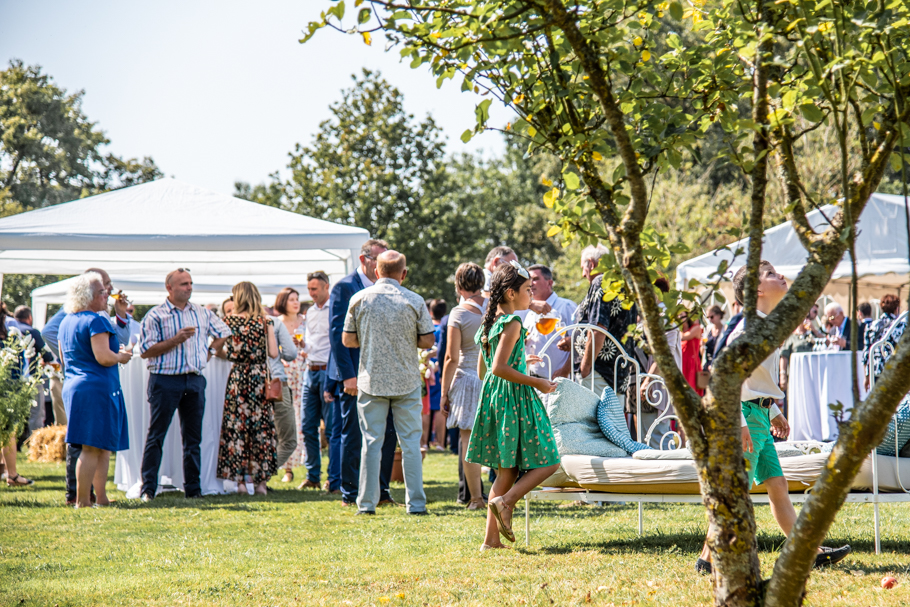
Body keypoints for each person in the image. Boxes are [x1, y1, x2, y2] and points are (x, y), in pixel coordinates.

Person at [695, 262, 851, 574]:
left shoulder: (769, 325)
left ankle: (807, 551)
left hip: (761, 414)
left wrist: (774, 410)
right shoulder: (749, 329)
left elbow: (755, 378)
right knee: (733, 492)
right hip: (747, 419)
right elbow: (727, 379)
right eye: (771, 274)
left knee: (777, 485)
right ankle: (706, 562)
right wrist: (739, 424)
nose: (781, 276)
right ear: (758, 291)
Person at [467, 261, 560, 550]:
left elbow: (485, 372)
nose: (530, 296)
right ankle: (506, 501)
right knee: (550, 460)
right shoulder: (513, 322)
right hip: (515, 399)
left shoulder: (488, 324)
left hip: (495, 399)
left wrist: (521, 362)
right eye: (527, 290)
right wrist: (538, 382)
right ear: (510, 293)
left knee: (506, 470)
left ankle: (490, 542)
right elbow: (498, 368)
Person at [341, 250, 435, 515]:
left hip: (371, 380)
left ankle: (366, 504)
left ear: (376, 271)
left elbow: (347, 340)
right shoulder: (414, 300)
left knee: (370, 443)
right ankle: (416, 504)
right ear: (403, 274)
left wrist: (370, 338)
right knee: (411, 445)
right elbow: (428, 340)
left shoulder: (359, 299)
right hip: (406, 380)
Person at [138, 268, 231, 501]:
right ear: (169, 288)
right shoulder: (156, 315)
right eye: (183, 284)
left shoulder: (201, 312)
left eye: (190, 283)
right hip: (165, 379)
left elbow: (224, 332)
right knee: (156, 435)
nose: (189, 287)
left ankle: (193, 489)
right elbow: (146, 351)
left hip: (194, 379)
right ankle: (148, 489)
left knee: (193, 438)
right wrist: (176, 340)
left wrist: (209, 351)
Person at [44, 268, 132, 504]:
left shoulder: (66, 322)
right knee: (92, 448)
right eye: (102, 292)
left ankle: (100, 498)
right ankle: (83, 500)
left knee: (101, 447)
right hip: (96, 387)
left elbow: (63, 359)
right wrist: (121, 357)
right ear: (89, 296)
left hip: (75, 385)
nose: (107, 296)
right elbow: (104, 356)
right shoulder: (94, 320)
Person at [328, 239, 398, 507]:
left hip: (384, 375)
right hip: (355, 376)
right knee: (355, 434)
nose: (382, 267)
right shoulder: (345, 288)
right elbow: (337, 335)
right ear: (364, 259)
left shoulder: (391, 288)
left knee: (387, 433)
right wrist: (348, 376)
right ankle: (350, 492)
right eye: (379, 261)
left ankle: (381, 491)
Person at [214, 282, 280, 495]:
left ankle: (240, 483)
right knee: (261, 430)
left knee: (237, 430)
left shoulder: (228, 321)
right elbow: (273, 353)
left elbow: (217, 349)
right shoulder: (265, 321)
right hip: (259, 379)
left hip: (238, 377)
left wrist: (233, 355)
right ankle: (261, 484)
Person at [561, 244, 638, 398]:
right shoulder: (622, 284)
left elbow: (598, 329)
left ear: (591, 263)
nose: (583, 274)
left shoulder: (601, 282)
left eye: (583, 267)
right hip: (616, 372)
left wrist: (585, 368)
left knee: (594, 421)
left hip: (599, 372)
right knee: (611, 420)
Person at [440, 263, 487, 510]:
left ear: (458, 285)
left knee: (468, 440)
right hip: (491, 379)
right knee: (495, 438)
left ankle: (476, 498)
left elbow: (451, 358)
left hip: (467, 380)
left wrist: (444, 392)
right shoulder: (495, 308)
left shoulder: (458, 314)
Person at [299, 271, 338, 492]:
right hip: (310, 371)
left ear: (326, 287)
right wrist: (303, 346)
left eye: (315, 289)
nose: (311, 293)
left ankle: (333, 478)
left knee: (331, 429)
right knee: (307, 426)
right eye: (309, 289)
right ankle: (313, 475)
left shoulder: (334, 310)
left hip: (327, 371)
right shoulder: (310, 311)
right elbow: (312, 340)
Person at [0, 305, 34, 487]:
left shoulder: (12, 332)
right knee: (7, 432)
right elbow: (23, 365)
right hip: (9, 387)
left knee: (7, 431)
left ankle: (9, 473)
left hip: (8, 386)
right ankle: (11, 474)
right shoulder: (11, 332)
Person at [274, 287, 306, 483]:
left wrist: (303, 347)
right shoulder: (277, 323)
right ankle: (287, 469)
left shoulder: (305, 321)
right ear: (283, 302)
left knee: (303, 420)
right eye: (291, 299)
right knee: (286, 420)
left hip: (303, 371)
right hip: (285, 373)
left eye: (297, 299)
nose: (295, 302)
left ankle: (309, 466)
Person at [523, 264, 577, 379]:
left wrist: (565, 371)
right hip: (532, 382)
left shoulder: (566, 306)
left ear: (550, 283)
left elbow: (579, 343)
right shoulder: (529, 313)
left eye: (535, 279)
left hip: (559, 381)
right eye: (529, 280)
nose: (531, 283)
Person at [267, 292, 299, 482]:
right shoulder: (273, 322)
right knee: (288, 440)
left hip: (245, 383)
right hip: (276, 383)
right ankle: (261, 478)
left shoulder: (234, 323)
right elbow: (290, 353)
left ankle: (249, 480)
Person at [422, 298, 447, 451]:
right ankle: (441, 443)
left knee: (425, 408)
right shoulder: (445, 327)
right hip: (439, 373)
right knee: (439, 408)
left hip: (425, 372)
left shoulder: (427, 328)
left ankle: (424, 442)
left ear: (430, 312)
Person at [864, 293, 903, 387]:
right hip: (893, 371)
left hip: (875, 371)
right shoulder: (900, 326)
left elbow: (866, 353)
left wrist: (866, 376)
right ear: (896, 308)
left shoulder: (871, 325)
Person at [679, 311, 704, 396]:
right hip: (681, 362)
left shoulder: (696, 328)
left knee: (691, 391)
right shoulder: (681, 330)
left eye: (682, 316)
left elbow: (684, 337)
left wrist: (675, 328)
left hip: (691, 363)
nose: (680, 318)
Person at [702, 305, 724, 371]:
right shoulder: (708, 329)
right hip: (706, 364)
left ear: (719, 315)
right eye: (708, 317)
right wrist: (702, 345)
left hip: (718, 364)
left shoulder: (725, 330)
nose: (710, 319)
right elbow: (702, 348)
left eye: (712, 317)